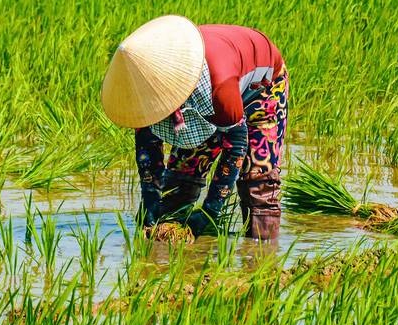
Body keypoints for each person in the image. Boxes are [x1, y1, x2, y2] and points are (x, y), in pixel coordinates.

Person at [101, 15, 288, 239]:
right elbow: (147, 141)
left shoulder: (219, 87)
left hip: (264, 89)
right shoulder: (147, 82)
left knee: (258, 181)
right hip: (205, 94)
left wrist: (211, 210)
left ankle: (260, 258)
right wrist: (150, 197)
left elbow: (236, 145)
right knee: (179, 184)